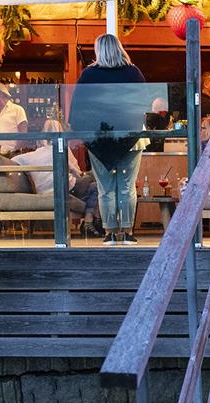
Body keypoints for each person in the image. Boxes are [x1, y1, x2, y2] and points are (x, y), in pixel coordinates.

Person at [69, 33, 148, 245]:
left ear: (99, 51)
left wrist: (84, 134)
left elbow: (77, 111)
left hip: (99, 140)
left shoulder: (89, 75)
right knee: (127, 186)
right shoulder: (133, 73)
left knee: (105, 188)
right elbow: (143, 107)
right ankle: (128, 232)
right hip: (132, 137)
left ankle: (110, 232)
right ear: (119, 48)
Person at [12, 119, 99, 231]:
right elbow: (77, 172)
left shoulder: (32, 155)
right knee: (94, 182)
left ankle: (89, 220)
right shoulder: (62, 149)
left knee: (92, 186)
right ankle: (90, 219)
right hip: (67, 188)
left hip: (44, 190)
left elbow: (12, 160)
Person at [0, 82, 28, 156]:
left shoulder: (17, 110)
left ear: (0, 94)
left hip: (12, 153)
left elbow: (23, 134)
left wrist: (15, 153)